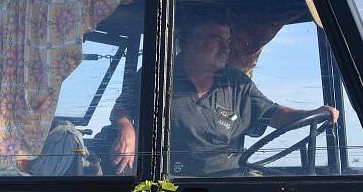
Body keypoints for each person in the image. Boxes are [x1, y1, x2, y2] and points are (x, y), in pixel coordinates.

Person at [109, 10, 338, 176]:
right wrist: (126, 129)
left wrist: (314, 113)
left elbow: (274, 114)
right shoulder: (157, 75)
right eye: (217, 39)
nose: (227, 47)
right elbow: (122, 107)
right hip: (170, 187)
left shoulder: (235, 81)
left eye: (227, 40)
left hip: (228, 187)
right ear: (190, 41)